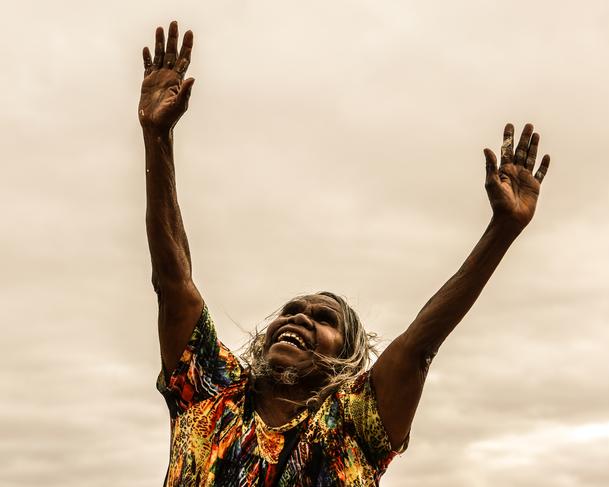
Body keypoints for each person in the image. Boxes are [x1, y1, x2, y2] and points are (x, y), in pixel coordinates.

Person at [139, 21, 551, 487]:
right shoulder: (210, 392)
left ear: (349, 357)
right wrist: (158, 137)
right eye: (292, 311)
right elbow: (173, 283)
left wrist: (502, 230)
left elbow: (418, 348)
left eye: (324, 319)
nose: (298, 318)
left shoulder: (355, 426)